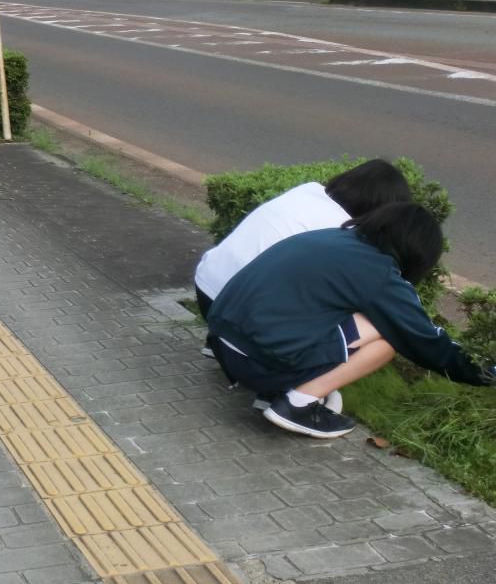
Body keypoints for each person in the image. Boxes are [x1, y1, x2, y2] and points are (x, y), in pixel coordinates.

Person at [206, 203, 495, 440]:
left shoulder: (331, 238)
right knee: (386, 339)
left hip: (222, 344)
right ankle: (296, 404)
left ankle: (274, 393)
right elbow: (426, 340)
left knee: (335, 315)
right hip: (256, 363)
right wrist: (485, 372)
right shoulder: (379, 272)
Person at [195, 159, 412, 322]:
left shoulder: (308, 190)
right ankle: (309, 379)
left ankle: (220, 343)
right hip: (238, 310)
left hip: (206, 286)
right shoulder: (345, 233)